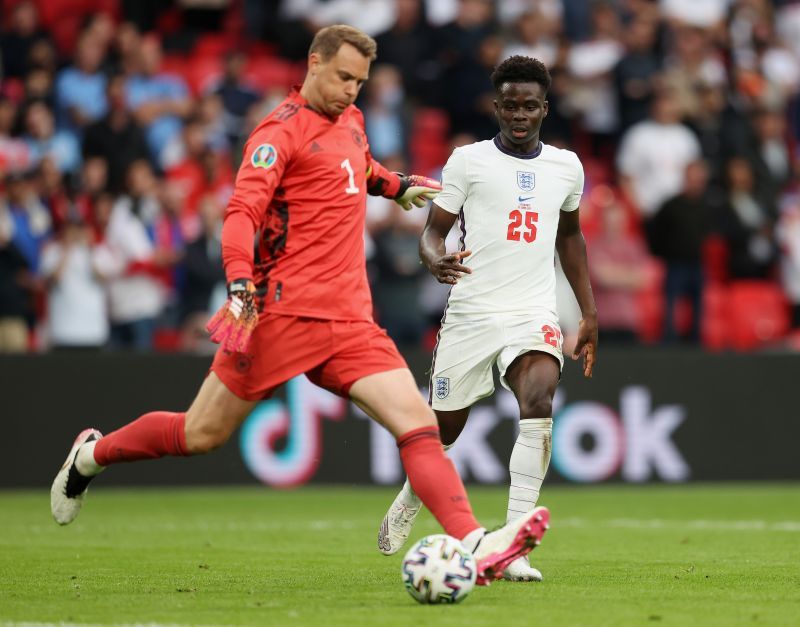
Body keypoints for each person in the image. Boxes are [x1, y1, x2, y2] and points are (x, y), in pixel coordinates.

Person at [50, 25, 550, 586]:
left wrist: (396, 185)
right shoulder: (277, 133)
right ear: (313, 63)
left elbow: (357, 169)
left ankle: (475, 542)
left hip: (350, 319)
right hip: (283, 315)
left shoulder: (352, 122)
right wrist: (239, 283)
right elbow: (241, 213)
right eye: (341, 77)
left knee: (418, 425)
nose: (350, 91)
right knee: (199, 434)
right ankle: (92, 456)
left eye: (359, 82)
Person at [377, 55, 598, 583]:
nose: (519, 114)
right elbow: (433, 232)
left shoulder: (567, 167)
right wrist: (432, 258)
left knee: (539, 398)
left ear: (544, 108)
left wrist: (589, 311)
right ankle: (413, 495)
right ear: (497, 107)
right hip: (472, 312)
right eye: (510, 105)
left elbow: (570, 237)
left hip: (532, 309)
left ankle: (514, 545)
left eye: (530, 105)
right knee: (445, 433)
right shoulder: (468, 161)